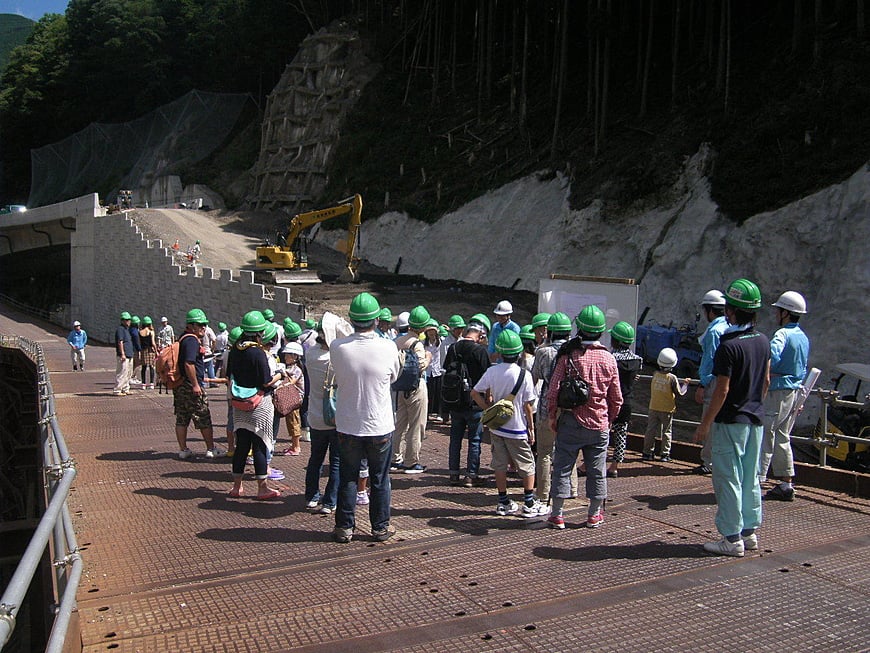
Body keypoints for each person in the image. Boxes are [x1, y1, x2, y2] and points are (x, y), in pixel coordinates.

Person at [694, 279, 770, 557]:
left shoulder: (729, 346)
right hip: (755, 419)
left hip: (730, 421)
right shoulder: (762, 341)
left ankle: (731, 538)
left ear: (731, 311)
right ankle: (750, 533)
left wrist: (704, 425)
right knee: (750, 477)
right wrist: (754, 403)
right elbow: (767, 380)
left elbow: (722, 390)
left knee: (728, 478)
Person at [329, 292, 401, 543]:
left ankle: (344, 528)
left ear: (352, 319)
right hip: (379, 424)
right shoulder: (389, 346)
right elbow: (394, 377)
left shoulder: (337, 347)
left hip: (348, 424)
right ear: (376, 319)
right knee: (380, 479)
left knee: (348, 476)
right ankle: (380, 528)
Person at [546, 305, 623, 530]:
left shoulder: (569, 356)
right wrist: (609, 420)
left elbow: (553, 391)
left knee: (562, 467)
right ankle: (594, 514)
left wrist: (552, 416)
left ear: (578, 328)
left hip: (571, 420)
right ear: (602, 331)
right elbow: (616, 398)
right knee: (597, 470)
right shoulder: (609, 359)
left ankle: (558, 515)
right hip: (599, 423)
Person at [471, 330, 549, 518]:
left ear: (499, 352)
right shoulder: (524, 374)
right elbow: (528, 406)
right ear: (519, 352)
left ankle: (503, 501)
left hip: (497, 427)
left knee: (500, 464)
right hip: (517, 428)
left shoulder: (492, 371)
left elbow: (474, 392)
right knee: (527, 465)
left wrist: (488, 409)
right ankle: (529, 502)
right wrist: (531, 428)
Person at [758, 291, 810, 501]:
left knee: (765, 436)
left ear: (785, 313)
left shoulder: (782, 335)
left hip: (776, 391)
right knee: (782, 437)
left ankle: (757, 480)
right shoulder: (803, 337)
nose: (776, 314)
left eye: (778, 310)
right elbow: (804, 367)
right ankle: (786, 484)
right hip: (794, 391)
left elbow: (771, 355)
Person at [226, 311, 282, 500]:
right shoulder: (257, 353)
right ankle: (262, 488)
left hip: (239, 403)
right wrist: (280, 375)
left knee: (241, 445)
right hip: (258, 403)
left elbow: (229, 375)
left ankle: (236, 487)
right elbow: (266, 381)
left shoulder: (235, 349)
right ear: (258, 333)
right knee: (259, 445)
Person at [531, 312, 576, 502]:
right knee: (569, 450)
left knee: (544, 453)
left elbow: (534, 378)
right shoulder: (576, 352)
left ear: (550, 332)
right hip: (570, 409)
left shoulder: (543, 352)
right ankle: (572, 488)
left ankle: (542, 493)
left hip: (546, 407)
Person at [443, 322, 491, 487]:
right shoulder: (480, 350)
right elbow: (488, 376)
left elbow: (446, 370)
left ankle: (453, 473)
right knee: (475, 439)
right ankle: (471, 475)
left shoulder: (453, 348)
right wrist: (488, 400)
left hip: (455, 399)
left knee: (455, 438)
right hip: (475, 401)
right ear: (480, 336)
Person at [174, 308, 221, 459]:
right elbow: (189, 363)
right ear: (191, 325)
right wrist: (195, 384)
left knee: (182, 417)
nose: (203, 327)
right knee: (203, 416)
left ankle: (183, 449)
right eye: (200, 324)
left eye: (205, 325)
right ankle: (211, 448)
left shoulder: (183, 337)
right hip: (190, 386)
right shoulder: (192, 340)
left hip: (180, 385)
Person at [303, 325, 340, 514]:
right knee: (336, 461)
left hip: (315, 416)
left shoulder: (311, 355)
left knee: (315, 459)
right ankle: (330, 501)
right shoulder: (335, 359)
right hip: (334, 417)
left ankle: (311, 496)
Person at [392, 305, 432, 474]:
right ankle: (411, 461)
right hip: (416, 387)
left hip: (400, 387)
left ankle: (395, 458)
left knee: (399, 424)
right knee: (416, 424)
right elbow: (421, 366)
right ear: (422, 326)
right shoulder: (417, 344)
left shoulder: (397, 342)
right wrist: (429, 357)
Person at [693, 290, 729, 474]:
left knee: (710, 418)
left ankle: (708, 462)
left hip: (714, 381)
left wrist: (702, 384)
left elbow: (710, 360)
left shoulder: (715, 331)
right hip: (728, 380)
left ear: (710, 311)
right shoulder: (729, 326)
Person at [607, 321, 643, 477]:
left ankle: (593, 464)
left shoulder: (610, 358)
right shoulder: (637, 360)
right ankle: (615, 467)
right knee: (621, 434)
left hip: (609, 401)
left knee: (603, 433)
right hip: (627, 401)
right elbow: (634, 378)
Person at [643, 348, 689, 463]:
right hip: (667, 409)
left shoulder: (655, 374)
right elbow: (680, 393)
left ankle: (647, 452)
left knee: (650, 430)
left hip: (653, 406)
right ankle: (664, 454)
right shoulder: (672, 378)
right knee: (666, 431)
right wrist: (686, 384)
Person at [278, 341, 305, 456]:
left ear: (295, 356)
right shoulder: (290, 368)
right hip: (290, 397)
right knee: (290, 421)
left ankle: (296, 447)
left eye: (288, 355)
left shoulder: (296, 369)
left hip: (294, 398)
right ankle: (294, 445)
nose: (285, 357)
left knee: (294, 422)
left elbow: (291, 382)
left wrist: (282, 373)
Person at [424, 320, 445, 423]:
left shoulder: (441, 342)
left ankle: (439, 413)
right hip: (427, 372)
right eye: (429, 331)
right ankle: (426, 413)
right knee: (428, 393)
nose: (431, 333)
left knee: (438, 393)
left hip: (437, 370)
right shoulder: (423, 343)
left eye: (433, 331)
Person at [113, 312, 134, 396]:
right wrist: (122, 354)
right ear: (122, 321)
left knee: (128, 373)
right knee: (122, 372)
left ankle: (126, 388)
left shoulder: (127, 330)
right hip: (124, 355)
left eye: (129, 320)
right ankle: (117, 390)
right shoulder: (120, 329)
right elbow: (120, 342)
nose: (128, 321)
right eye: (126, 320)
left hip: (129, 354)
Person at [138, 316, 157, 389]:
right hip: (150, 351)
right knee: (152, 366)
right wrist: (156, 351)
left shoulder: (140, 332)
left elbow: (139, 343)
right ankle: (151, 383)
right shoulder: (151, 332)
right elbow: (153, 343)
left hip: (143, 350)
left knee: (144, 367)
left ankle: (143, 384)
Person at [129, 316, 143, 387]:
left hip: (131, 349)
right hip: (135, 350)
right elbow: (137, 342)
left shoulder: (130, 329)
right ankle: (132, 377)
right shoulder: (135, 332)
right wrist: (139, 349)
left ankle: (133, 377)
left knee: (133, 364)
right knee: (137, 364)